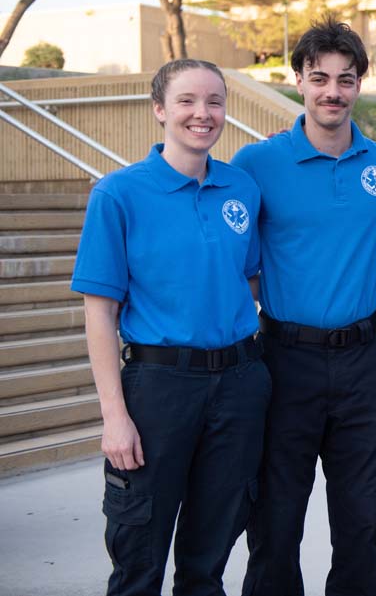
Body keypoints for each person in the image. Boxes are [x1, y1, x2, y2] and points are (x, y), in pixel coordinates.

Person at [235, 18, 376, 596]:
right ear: (298, 81)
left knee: (365, 516)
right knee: (275, 516)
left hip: (363, 361)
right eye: (319, 78)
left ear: (360, 83)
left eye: (345, 79)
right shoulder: (256, 164)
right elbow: (231, 259)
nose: (332, 91)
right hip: (283, 359)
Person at [73, 59, 270, 595]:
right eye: (186, 101)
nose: (202, 114)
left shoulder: (241, 189)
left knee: (209, 555)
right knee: (139, 555)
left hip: (237, 383)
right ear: (159, 109)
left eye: (214, 101)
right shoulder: (118, 195)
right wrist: (115, 416)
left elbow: (246, 278)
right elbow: (99, 311)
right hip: (159, 388)